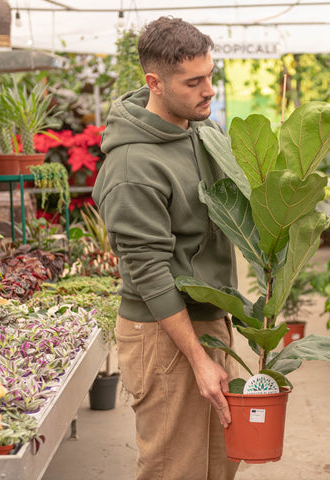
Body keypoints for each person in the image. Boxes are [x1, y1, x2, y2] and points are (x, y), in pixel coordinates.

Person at [92, 16, 239, 480]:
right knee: (175, 469)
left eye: (210, 75)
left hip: (209, 319)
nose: (208, 90)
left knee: (222, 461)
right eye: (193, 81)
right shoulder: (133, 165)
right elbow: (150, 275)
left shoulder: (200, 132)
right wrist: (198, 359)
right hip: (163, 333)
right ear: (154, 82)